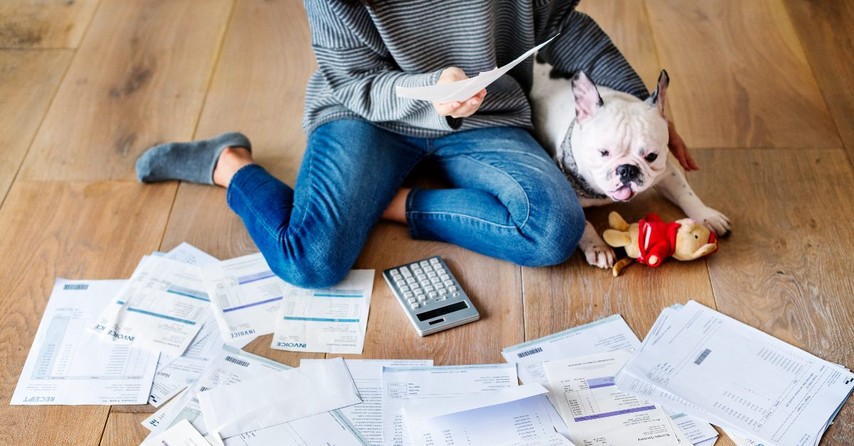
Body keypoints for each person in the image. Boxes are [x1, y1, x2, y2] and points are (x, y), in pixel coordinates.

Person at [135, 0, 696, 288]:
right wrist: (425, 90)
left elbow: (564, 24)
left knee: (555, 230)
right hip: (366, 114)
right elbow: (352, 80)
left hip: (487, 115)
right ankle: (228, 164)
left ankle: (392, 203)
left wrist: (640, 113)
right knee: (309, 262)